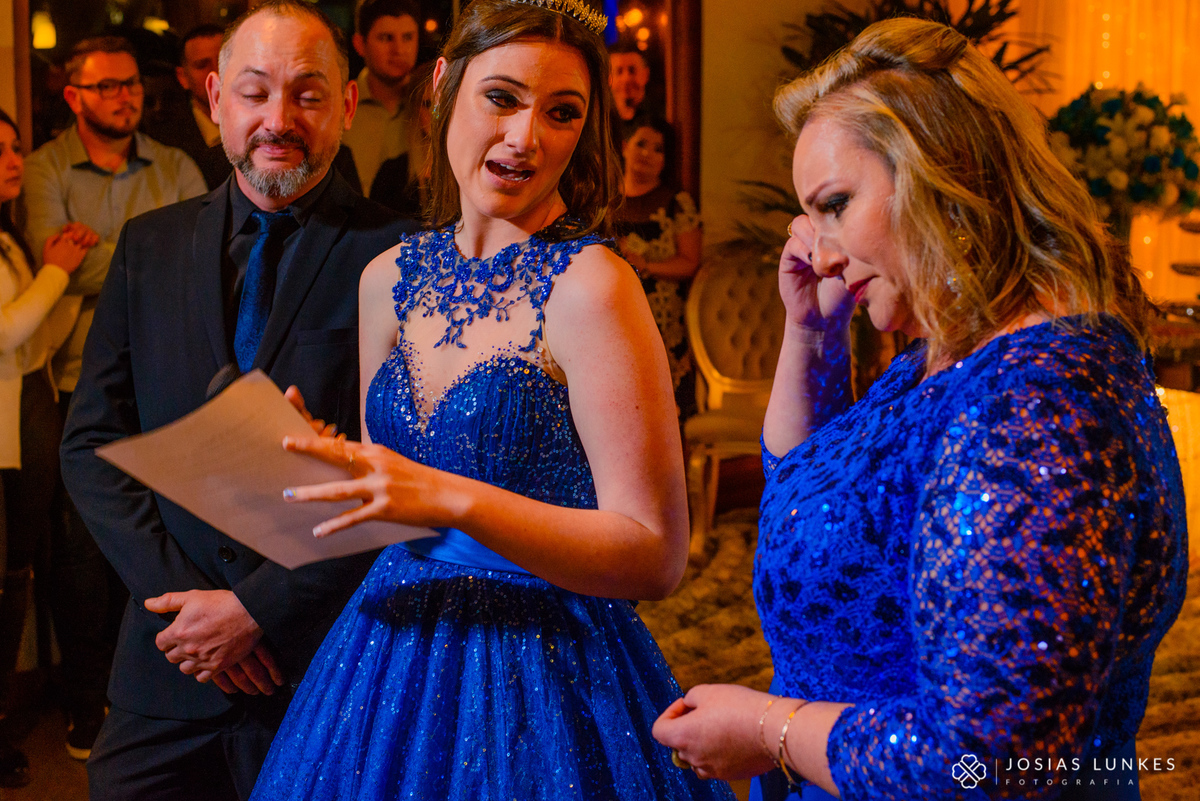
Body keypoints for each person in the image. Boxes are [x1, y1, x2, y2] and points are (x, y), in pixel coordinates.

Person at [651, 18, 1188, 801]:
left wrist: (768, 728)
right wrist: (810, 328)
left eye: (835, 204)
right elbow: (805, 484)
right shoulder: (945, 357)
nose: (820, 250)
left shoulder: (1037, 400)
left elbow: (978, 760)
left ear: (944, 168)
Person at [248, 2, 736, 799]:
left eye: (562, 113)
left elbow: (656, 554)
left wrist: (451, 496)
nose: (525, 138)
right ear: (444, 86)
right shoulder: (387, 281)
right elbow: (398, 510)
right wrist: (337, 465)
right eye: (502, 98)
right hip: (389, 648)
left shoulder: (591, 287)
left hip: (543, 662)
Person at [59, 2, 415, 798]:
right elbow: (89, 445)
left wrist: (259, 608)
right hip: (169, 657)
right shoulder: (147, 246)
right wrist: (190, 614)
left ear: (349, 106)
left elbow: (410, 477)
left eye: (308, 94)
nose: (277, 120)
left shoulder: (397, 257)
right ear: (216, 97)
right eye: (255, 93)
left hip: (320, 661)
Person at [22, 34, 208, 760]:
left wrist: (101, 253)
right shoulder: (45, 168)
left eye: (131, 84)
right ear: (74, 96)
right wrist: (140, 258)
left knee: (170, 534)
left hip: (171, 386)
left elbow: (200, 261)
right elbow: (53, 262)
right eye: (107, 87)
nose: (125, 97)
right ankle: (85, 702)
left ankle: (177, 684)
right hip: (75, 383)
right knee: (80, 557)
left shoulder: (176, 163)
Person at [0, 108, 96, 789]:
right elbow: (5, 333)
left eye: (14, 146)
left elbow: (34, 344)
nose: (14, 159)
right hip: (3, 434)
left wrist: (71, 274)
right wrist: (61, 271)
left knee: (14, 581)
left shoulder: (7, 242)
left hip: (27, 425)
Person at [614, 114, 700, 420]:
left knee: (666, 414)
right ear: (625, 147)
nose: (648, 153)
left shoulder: (677, 202)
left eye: (658, 149)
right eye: (641, 144)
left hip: (663, 321)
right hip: (614, 317)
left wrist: (645, 265)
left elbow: (690, 263)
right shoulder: (604, 201)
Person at [344, 0, 421, 199]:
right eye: (386, 38)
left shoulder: (430, 107)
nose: (399, 49)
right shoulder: (340, 106)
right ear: (360, 45)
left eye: (408, 37)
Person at [144, 24, 232, 190]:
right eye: (202, 65)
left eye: (224, 61)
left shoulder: (266, 123)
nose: (216, 73)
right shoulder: (166, 142)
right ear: (183, 77)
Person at [367, 60, 434, 217]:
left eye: (444, 104)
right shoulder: (392, 175)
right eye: (428, 104)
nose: (436, 115)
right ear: (415, 108)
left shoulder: (469, 173)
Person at [609, 41, 651, 123]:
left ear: (645, 75)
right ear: (609, 78)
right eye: (619, 71)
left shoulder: (657, 127)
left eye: (632, 71)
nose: (626, 79)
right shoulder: (597, 126)